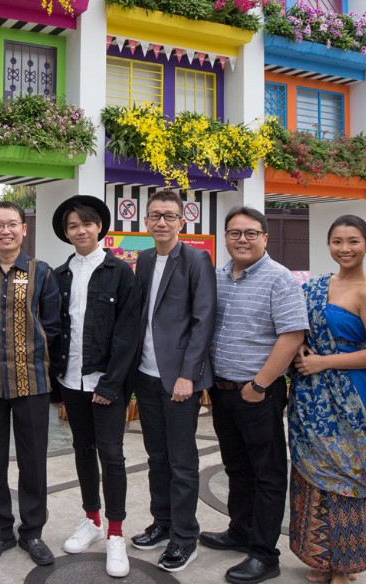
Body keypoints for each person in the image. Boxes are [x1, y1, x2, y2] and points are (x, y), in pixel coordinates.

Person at [288, 215, 366, 584]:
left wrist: (324, 362)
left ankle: (346, 565)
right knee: (311, 474)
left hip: (351, 395)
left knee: (346, 478)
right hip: (309, 393)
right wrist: (302, 345)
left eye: (353, 241)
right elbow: (298, 327)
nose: (345, 249)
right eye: (337, 241)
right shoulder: (318, 285)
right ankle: (321, 558)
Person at [200, 205, 309, 584]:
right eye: (234, 233)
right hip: (223, 390)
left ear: (264, 237)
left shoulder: (279, 279)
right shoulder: (217, 275)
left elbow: (293, 334)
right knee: (236, 467)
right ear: (226, 237)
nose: (242, 239)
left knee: (268, 473)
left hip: (258, 392)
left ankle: (264, 553)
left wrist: (260, 384)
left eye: (250, 233)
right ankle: (239, 531)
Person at [50, 195, 141, 578]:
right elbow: (55, 331)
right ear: (67, 234)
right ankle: (91, 519)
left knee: (112, 455)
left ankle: (116, 533)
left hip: (106, 382)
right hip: (71, 379)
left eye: (86, 224)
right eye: (73, 226)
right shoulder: (60, 275)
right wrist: (57, 381)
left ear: (99, 227)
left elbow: (128, 334)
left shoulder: (120, 272)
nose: (81, 230)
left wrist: (112, 383)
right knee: (83, 450)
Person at [0, 201, 62, 567]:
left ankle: (33, 532)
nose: (5, 231)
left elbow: (54, 326)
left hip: (32, 382)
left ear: (25, 230)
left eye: (12, 224)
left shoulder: (42, 273)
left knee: (33, 462)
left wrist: (35, 352)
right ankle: (0, 533)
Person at [130, 190, 216, 573]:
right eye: (154, 216)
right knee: (157, 457)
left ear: (182, 221)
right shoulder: (145, 259)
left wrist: (188, 376)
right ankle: (162, 523)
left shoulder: (197, 259)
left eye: (168, 215)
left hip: (178, 380)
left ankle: (185, 537)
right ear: (145, 221)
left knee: (182, 462)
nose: (161, 222)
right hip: (146, 376)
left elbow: (203, 321)